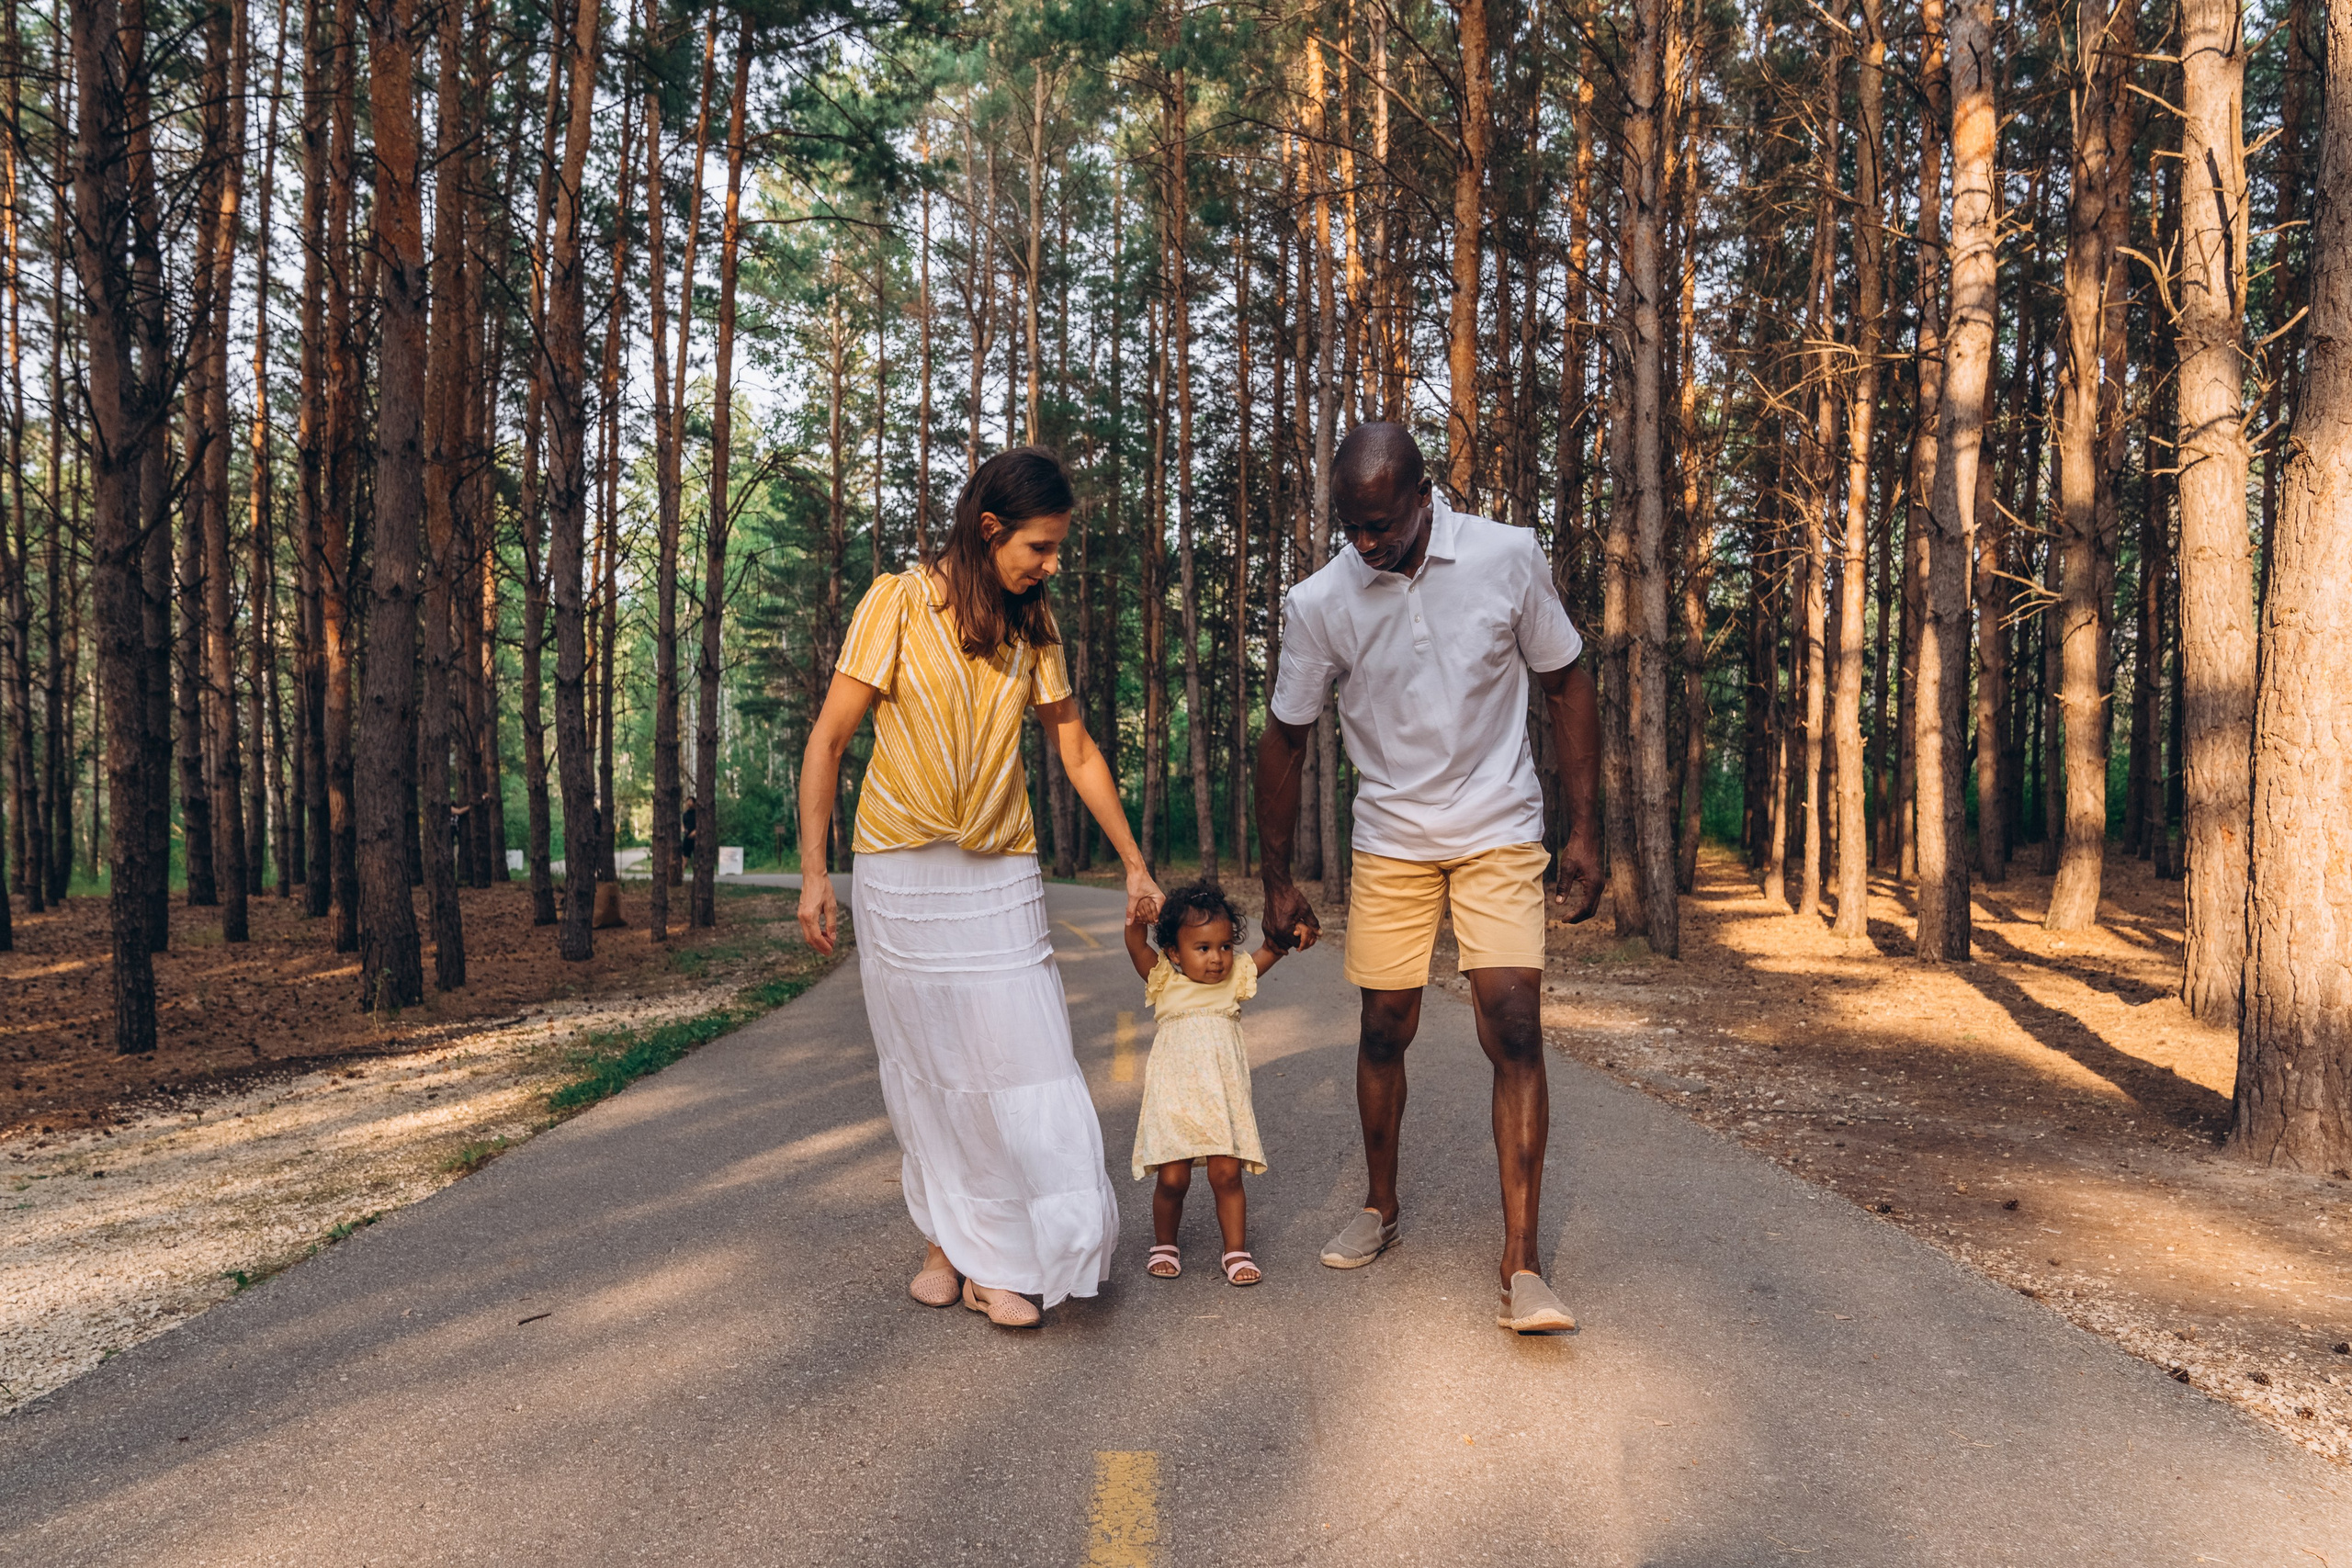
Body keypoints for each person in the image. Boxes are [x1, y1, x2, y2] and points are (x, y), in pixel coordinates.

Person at [798, 446, 1164, 1330]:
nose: (1051, 564)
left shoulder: (1034, 624)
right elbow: (829, 740)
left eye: (1057, 548)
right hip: (900, 872)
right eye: (1041, 546)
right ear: (990, 528)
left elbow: (1075, 747)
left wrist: (1133, 860)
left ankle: (999, 1254)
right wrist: (813, 873)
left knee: (1016, 1061)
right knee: (931, 1068)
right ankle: (949, 1243)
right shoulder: (895, 602)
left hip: (998, 869)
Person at [1254, 423, 1604, 1334]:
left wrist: (1585, 830)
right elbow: (1286, 736)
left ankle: (1522, 1263)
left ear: (1423, 496)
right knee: (1384, 1027)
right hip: (1392, 836)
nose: (1365, 543)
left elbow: (1565, 681)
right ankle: (1380, 1206)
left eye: (1380, 524)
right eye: (1350, 526)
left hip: (1498, 822)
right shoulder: (1320, 601)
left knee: (1514, 1026)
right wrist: (1276, 877)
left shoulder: (1505, 557)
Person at [1121, 882, 1293, 1288]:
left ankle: (1235, 1250)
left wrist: (1290, 934)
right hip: (1174, 1099)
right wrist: (1137, 915)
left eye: (1225, 946)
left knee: (1227, 1175)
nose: (1217, 958)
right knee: (1173, 1179)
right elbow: (1136, 945)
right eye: (1203, 948)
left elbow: (1272, 949)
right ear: (1174, 952)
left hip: (1222, 1099)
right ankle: (1165, 1244)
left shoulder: (1234, 978)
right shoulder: (1164, 978)